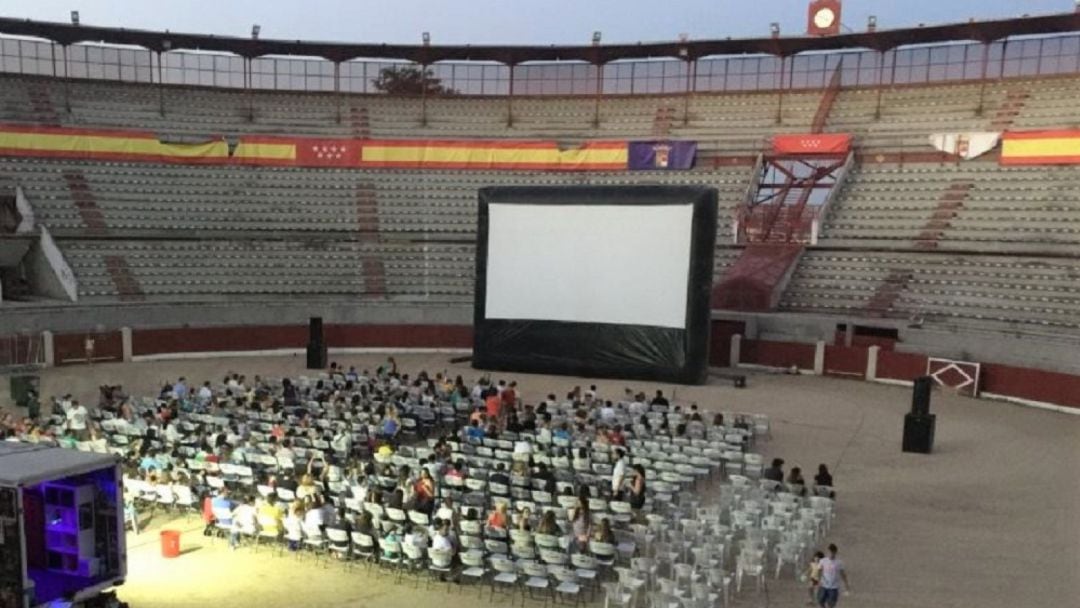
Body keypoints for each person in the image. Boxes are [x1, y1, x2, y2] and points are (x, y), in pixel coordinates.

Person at [817, 544, 851, 608]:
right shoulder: (823, 561)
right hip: (824, 585)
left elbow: (843, 574)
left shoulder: (839, 563)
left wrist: (846, 585)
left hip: (833, 587)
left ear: (835, 552)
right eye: (830, 552)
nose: (831, 554)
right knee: (820, 600)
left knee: (831, 603)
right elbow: (819, 571)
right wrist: (819, 580)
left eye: (832, 552)